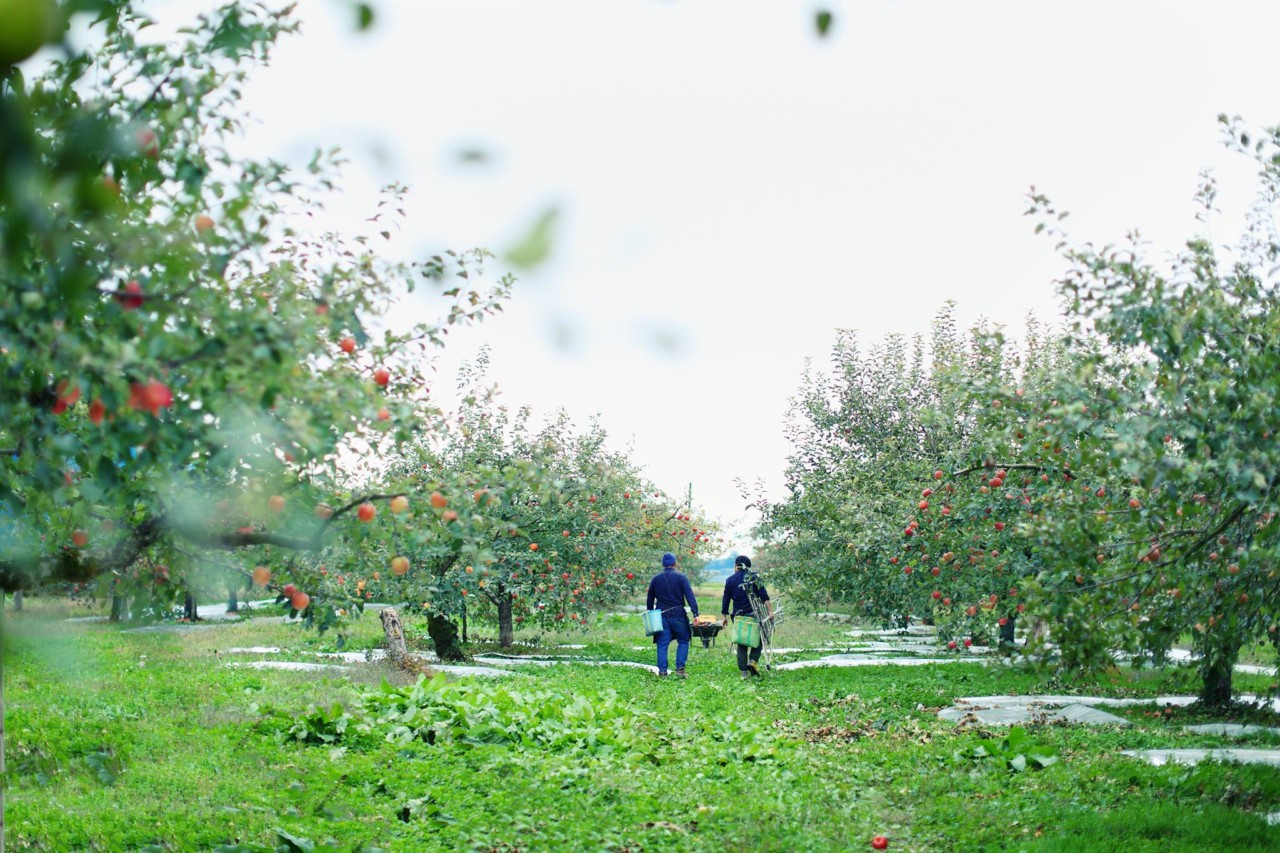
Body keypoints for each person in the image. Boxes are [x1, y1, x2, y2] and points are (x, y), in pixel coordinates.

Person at [646, 551, 698, 678]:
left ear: (663, 564)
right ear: (675, 563)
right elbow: (690, 596)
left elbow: (650, 599)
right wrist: (695, 613)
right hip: (678, 614)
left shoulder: (656, 579)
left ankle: (662, 672)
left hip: (661, 616)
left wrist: (651, 614)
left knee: (662, 643)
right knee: (683, 640)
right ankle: (680, 670)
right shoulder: (681, 577)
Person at [721, 555, 772, 677]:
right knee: (759, 638)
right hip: (753, 614)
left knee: (742, 643)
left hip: (738, 616)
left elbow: (726, 599)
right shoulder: (754, 578)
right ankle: (753, 661)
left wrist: (724, 617)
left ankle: (743, 672)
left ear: (736, 565)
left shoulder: (730, 580)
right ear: (747, 567)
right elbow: (764, 596)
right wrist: (770, 611)